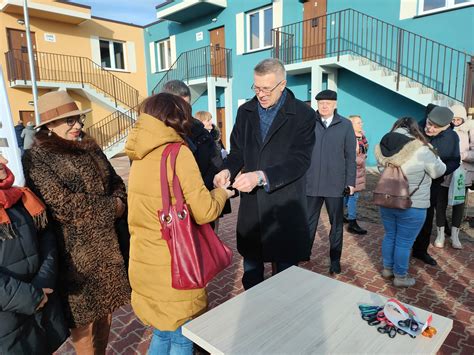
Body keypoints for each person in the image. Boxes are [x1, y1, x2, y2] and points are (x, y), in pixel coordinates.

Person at [22, 90, 130, 354]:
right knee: (83, 326)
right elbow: (62, 204)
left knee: (106, 316)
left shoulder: (89, 146)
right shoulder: (37, 157)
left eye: (78, 119)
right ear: (49, 125)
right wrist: (112, 207)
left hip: (108, 251)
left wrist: (118, 200)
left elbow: (115, 181)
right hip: (75, 256)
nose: (78, 125)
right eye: (69, 121)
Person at [125, 93, 233, 355]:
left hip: (144, 261)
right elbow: (205, 211)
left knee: (162, 332)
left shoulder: (138, 152)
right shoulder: (178, 152)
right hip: (175, 265)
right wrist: (222, 192)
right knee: (183, 337)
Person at [214, 58, 316, 290]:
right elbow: (237, 151)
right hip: (253, 212)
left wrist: (260, 176)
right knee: (252, 278)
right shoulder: (245, 111)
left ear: (282, 84)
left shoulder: (303, 114)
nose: (260, 94)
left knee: (286, 283)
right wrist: (226, 170)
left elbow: (300, 161)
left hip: (285, 207)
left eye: (266, 89)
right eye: (256, 87)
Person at [0, 154, 69, 354]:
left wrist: (43, 283)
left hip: (42, 304)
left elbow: (46, 237)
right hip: (8, 322)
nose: (4, 160)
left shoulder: (20, 198)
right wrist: (31, 297)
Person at [375, 117, 446, 287]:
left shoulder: (383, 146)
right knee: (404, 242)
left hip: (387, 200)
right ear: (415, 129)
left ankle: (387, 269)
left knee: (390, 235)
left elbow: (380, 169)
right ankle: (400, 276)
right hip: (413, 204)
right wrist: (434, 153)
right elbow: (438, 171)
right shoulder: (421, 149)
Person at [306, 89, 357, 274]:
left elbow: (350, 156)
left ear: (335, 104)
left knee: (336, 224)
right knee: (308, 221)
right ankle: (304, 252)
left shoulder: (345, 125)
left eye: (328, 103)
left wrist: (350, 182)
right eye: (320, 103)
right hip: (311, 183)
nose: (324, 106)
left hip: (335, 185)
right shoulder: (309, 123)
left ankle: (335, 258)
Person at [412, 106, 460, 265]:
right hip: (410, 182)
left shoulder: (452, 138)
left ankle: (420, 251)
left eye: (435, 127)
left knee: (426, 218)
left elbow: (455, 160)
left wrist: (443, 171)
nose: (429, 128)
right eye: (429, 123)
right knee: (407, 215)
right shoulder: (417, 129)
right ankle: (403, 248)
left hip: (432, 185)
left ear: (446, 126)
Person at [162, 80, 219, 190]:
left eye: (187, 106)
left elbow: (215, 167)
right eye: (178, 106)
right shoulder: (150, 135)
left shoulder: (203, 135)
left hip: (201, 198)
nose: (183, 112)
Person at [434, 105, 474, 249]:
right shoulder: (445, 129)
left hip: (462, 174)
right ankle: (440, 234)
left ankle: (455, 236)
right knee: (440, 204)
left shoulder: (470, 129)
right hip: (445, 172)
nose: (456, 122)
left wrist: (461, 155)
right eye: (454, 119)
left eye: (459, 119)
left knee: (459, 205)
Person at [345, 115, 368, 235]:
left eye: (361, 122)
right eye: (358, 122)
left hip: (359, 171)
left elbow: (363, 152)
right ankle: (352, 222)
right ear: (351, 124)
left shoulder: (361, 136)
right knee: (353, 196)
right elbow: (350, 156)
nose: (361, 124)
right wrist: (361, 159)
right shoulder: (350, 137)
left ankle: (342, 215)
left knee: (348, 195)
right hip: (353, 171)